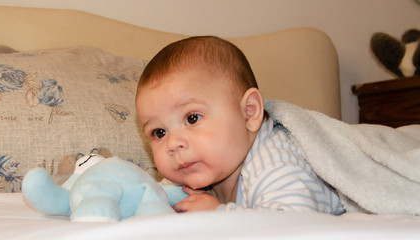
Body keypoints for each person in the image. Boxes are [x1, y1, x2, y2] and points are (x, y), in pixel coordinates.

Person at [135, 36, 344, 214]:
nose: (173, 143)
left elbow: (291, 226)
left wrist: (219, 215)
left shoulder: (274, 162)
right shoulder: (194, 173)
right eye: (159, 132)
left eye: (192, 118)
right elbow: (150, 201)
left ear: (249, 113)